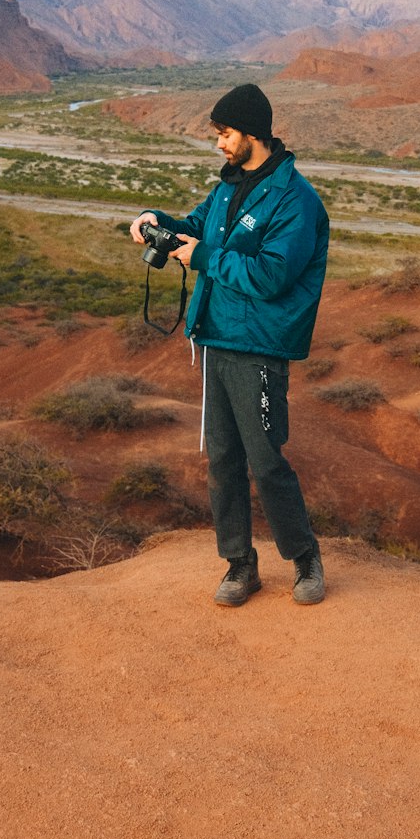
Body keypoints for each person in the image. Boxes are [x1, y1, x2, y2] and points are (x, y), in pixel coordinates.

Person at [129, 83, 329, 607]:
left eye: (225, 133)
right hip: (217, 338)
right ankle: (240, 566)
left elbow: (271, 276)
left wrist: (201, 259)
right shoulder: (229, 187)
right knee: (221, 459)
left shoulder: (296, 200)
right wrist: (158, 222)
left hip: (259, 346)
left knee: (264, 460)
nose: (219, 143)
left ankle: (305, 558)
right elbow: (197, 228)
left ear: (252, 133)